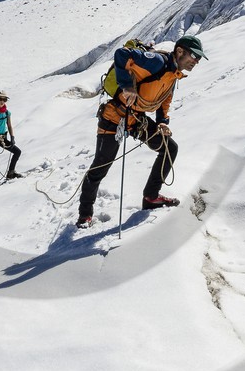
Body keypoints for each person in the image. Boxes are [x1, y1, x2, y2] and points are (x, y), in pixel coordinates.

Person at [77, 36, 206, 228]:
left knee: (169, 148)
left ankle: (151, 197)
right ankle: (85, 215)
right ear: (180, 51)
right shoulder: (157, 62)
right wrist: (127, 86)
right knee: (100, 167)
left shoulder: (174, 75)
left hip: (136, 118)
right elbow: (121, 55)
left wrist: (162, 122)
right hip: (115, 115)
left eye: (199, 58)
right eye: (194, 56)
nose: (196, 61)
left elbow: (165, 101)